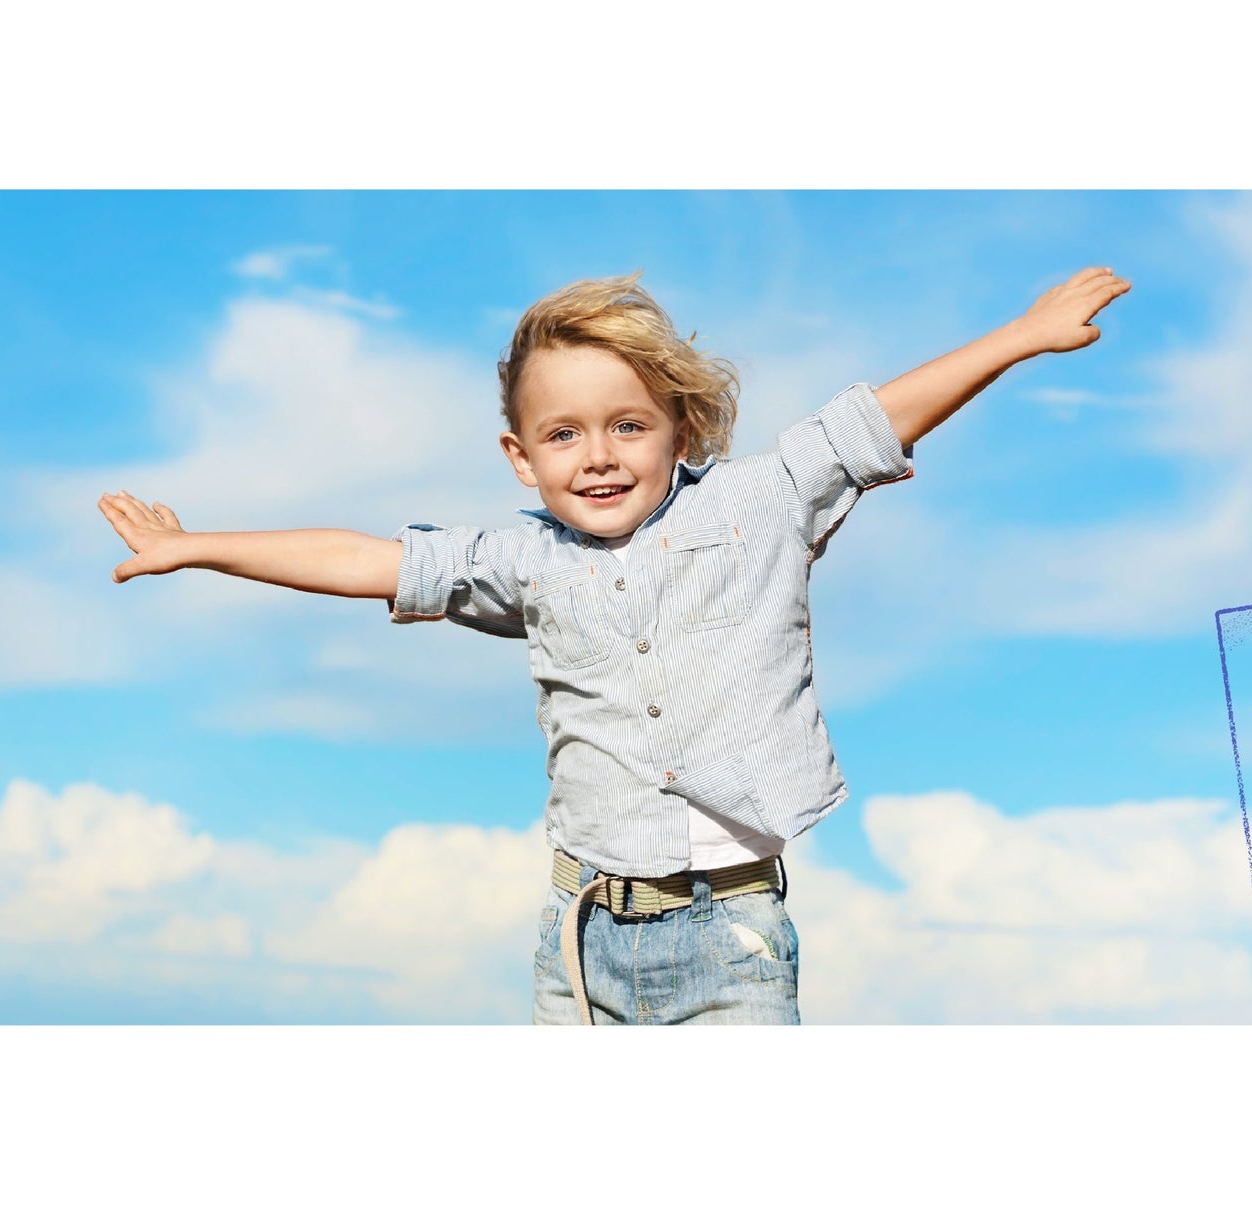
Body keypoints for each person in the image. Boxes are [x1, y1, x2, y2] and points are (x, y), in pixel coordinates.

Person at [98, 266, 1131, 1024]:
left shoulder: (757, 504)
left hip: (731, 942)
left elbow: (873, 421)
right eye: (562, 435)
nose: (596, 457)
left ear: (678, 431)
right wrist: (195, 547)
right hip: (579, 941)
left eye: (626, 427)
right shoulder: (523, 562)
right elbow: (368, 559)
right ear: (519, 456)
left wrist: (1021, 334)